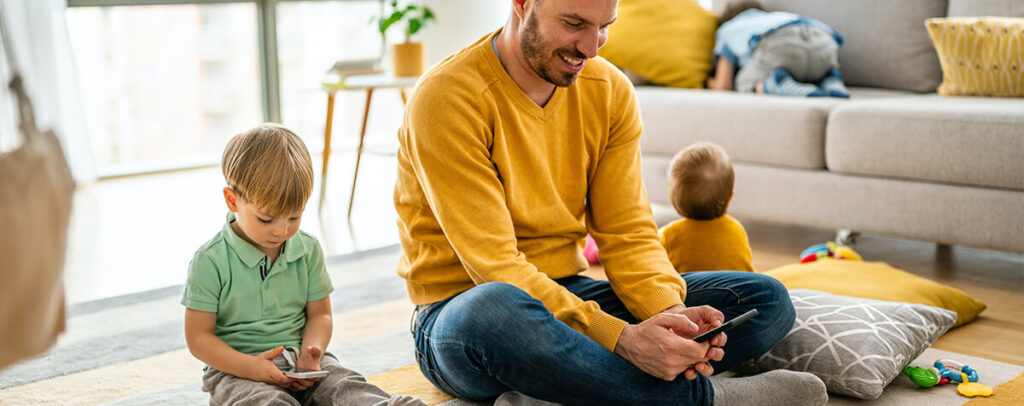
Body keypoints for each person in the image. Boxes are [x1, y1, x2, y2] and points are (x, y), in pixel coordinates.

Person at [395, 0, 826, 404]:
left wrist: (672, 317)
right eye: (574, 23)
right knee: (495, 312)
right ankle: (706, 399)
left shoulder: (609, 89)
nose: (589, 47)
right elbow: (494, 266)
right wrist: (623, 339)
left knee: (765, 300)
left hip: (568, 291)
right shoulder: (447, 97)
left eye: (604, 27)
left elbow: (628, 233)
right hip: (462, 312)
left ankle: (569, 384)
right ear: (522, 3)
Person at [182, 124, 424, 406]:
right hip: (237, 370)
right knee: (265, 401)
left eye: (294, 217)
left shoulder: (307, 249)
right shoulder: (210, 260)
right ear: (232, 200)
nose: (281, 231)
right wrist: (252, 367)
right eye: (267, 219)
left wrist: (312, 353)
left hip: (301, 363)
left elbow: (320, 315)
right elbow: (198, 337)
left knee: (345, 385)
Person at [705, 0, 850, 98]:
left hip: (780, 42)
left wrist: (709, 82)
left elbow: (724, 86)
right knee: (810, 67)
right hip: (822, 39)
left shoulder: (728, 30)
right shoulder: (772, 18)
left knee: (744, 82)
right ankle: (830, 79)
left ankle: (773, 85)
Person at [661, 142, 754, 273]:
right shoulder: (737, 230)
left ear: (674, 200)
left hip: (692, 293)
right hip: (738, 293)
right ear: (729, 198)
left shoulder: (668, 236)